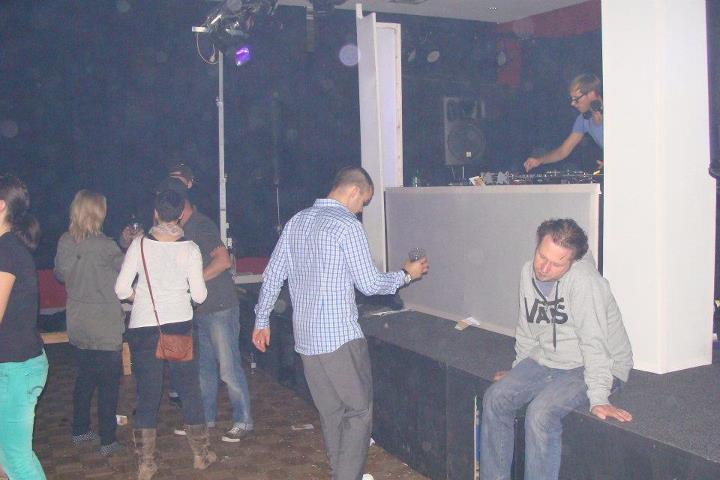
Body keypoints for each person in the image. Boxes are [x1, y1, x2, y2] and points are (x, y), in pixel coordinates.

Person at [253, 166, 429, 480]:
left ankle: (341, 472)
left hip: (306, 340)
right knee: (359, 413)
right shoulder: (347, 225)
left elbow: (272, 275)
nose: (361, 209)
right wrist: (406, 275)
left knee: (332, 413)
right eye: (364, 202)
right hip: (339, 339)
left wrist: (261, 319)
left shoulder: (297, 221)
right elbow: (370, 284)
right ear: (354, 191)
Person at [479, 218, 633, 480]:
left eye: (557, 264)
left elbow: (595, 344)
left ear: (573, 262)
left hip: (594, 364)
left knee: (541, 413)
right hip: (549, 359)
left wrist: (599, 397)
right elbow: (527, 328)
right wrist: (518, 371)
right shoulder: (528, 272)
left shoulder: (585, 282)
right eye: (542, 256)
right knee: (496, 398)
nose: (544, 268)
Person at [115, 189, 216, 480]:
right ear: (181, 214)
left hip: (144, 328)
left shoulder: (139, 245)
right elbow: (199, 295)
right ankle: (200, 455)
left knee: (147, 395)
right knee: (189, 391)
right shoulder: (190, 249)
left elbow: (121, 289)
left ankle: (146, 464)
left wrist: (142, 299)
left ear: (156, 213)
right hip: (179, 326)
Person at [159, 174, 253, 443]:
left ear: (181, 204)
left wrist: (193, 283)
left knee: (228, 368)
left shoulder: (200, 225)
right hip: (201, 309)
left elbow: (223, 260)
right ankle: (206, 420)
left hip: (220, 307)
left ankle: (243, 420)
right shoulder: (181, 229)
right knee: (204, 370)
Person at [54, 190, 126, 456]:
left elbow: (60, 274)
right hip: (105, 324)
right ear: (98, 213)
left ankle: (80, 430)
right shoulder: (106, 246)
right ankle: (108, 440)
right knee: (108, 385)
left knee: (84, 379)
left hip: (78, 322)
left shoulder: (65, 241)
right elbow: (127, 273)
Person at [0, 174, 48, 479]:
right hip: (16, 364)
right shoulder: (9, 247)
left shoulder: (6, 250)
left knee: (16, 459)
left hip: (15, 367)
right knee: (8, 458)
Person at [523, 74, 604, 172]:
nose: (572, 103)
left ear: (592, 94)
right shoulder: (583, 120)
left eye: (576, 99)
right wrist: (539, 160)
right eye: (571, 99)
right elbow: (563, 151)